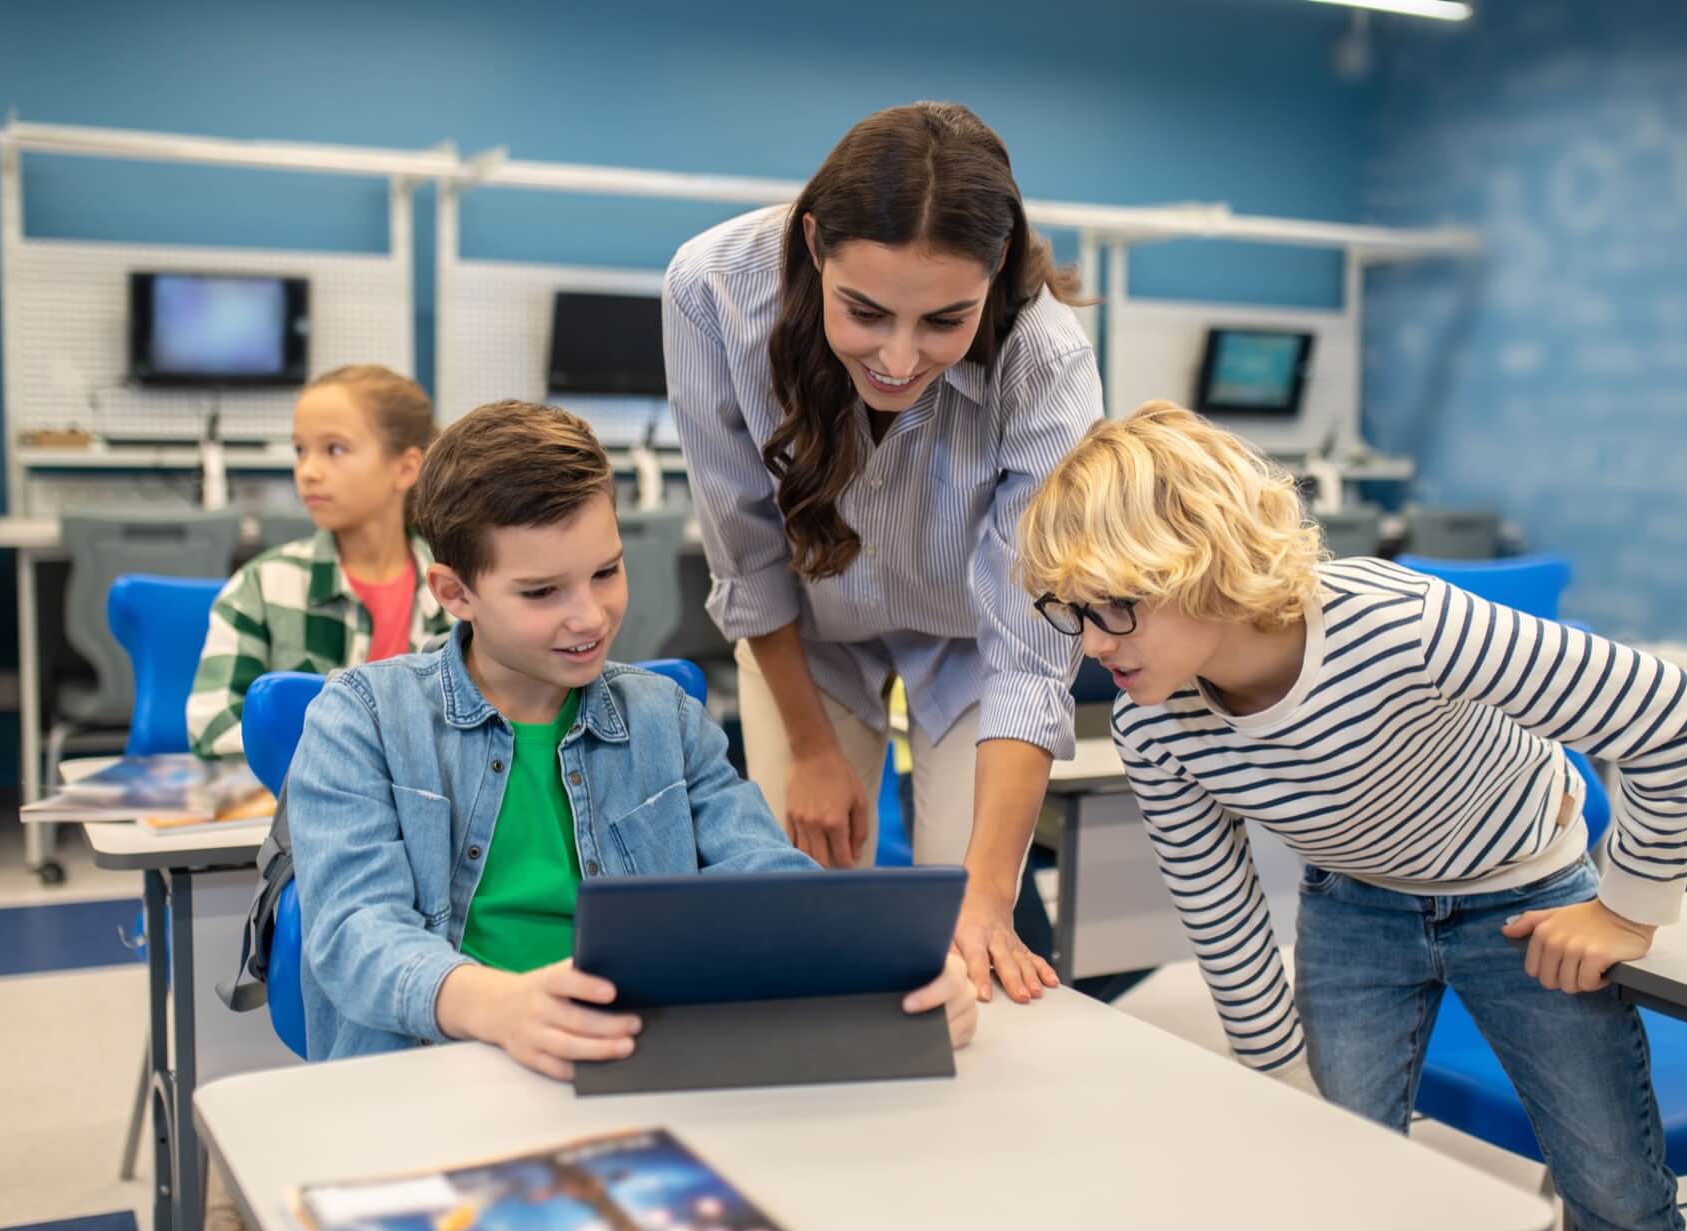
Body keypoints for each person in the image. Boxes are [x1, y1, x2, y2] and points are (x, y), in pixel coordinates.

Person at [1015, 400, 1687, 1231]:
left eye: (1115, 608)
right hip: (1355, 909)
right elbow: (1220, 908)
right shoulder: (1154, 724)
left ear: (1201, 565)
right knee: (1339, 1188)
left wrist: (1627, 910)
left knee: (1618, 1200)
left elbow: (1683, 717)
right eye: (1073, 612)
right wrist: (1280, 1085)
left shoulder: (1403, 625)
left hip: (1525, 897)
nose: (1092, 644)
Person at [285, 399, 978, 1070]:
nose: (589, 616)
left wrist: (887, 971)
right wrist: (501, 1006)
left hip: (631, 1064)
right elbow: (355, 934)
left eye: (606, 571)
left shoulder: (666, 718)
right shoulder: (361, 718)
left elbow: (770, 888)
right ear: (455, 592)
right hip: (433, 1074)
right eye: (542, 592)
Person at [665, 101, 1102, 1002]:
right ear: (816, 242)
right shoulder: (712, 290)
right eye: (865, 312)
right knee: (809, 919)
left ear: (995, 275)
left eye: (946, 321)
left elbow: (1031, 646)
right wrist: (812, 749)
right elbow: (745, 553)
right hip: (810, 633)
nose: (899, 359)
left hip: (974, 639)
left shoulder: (1048, 357)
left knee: (970, 928)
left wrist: (985, 900)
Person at [187, 364, 447, 758]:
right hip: (301, 812)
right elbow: (212, 728)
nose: (307, 472)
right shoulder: (261, 587)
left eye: (335, 449)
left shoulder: (458, 595)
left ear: (406, 467)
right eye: (300, 451)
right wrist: (346, 764)